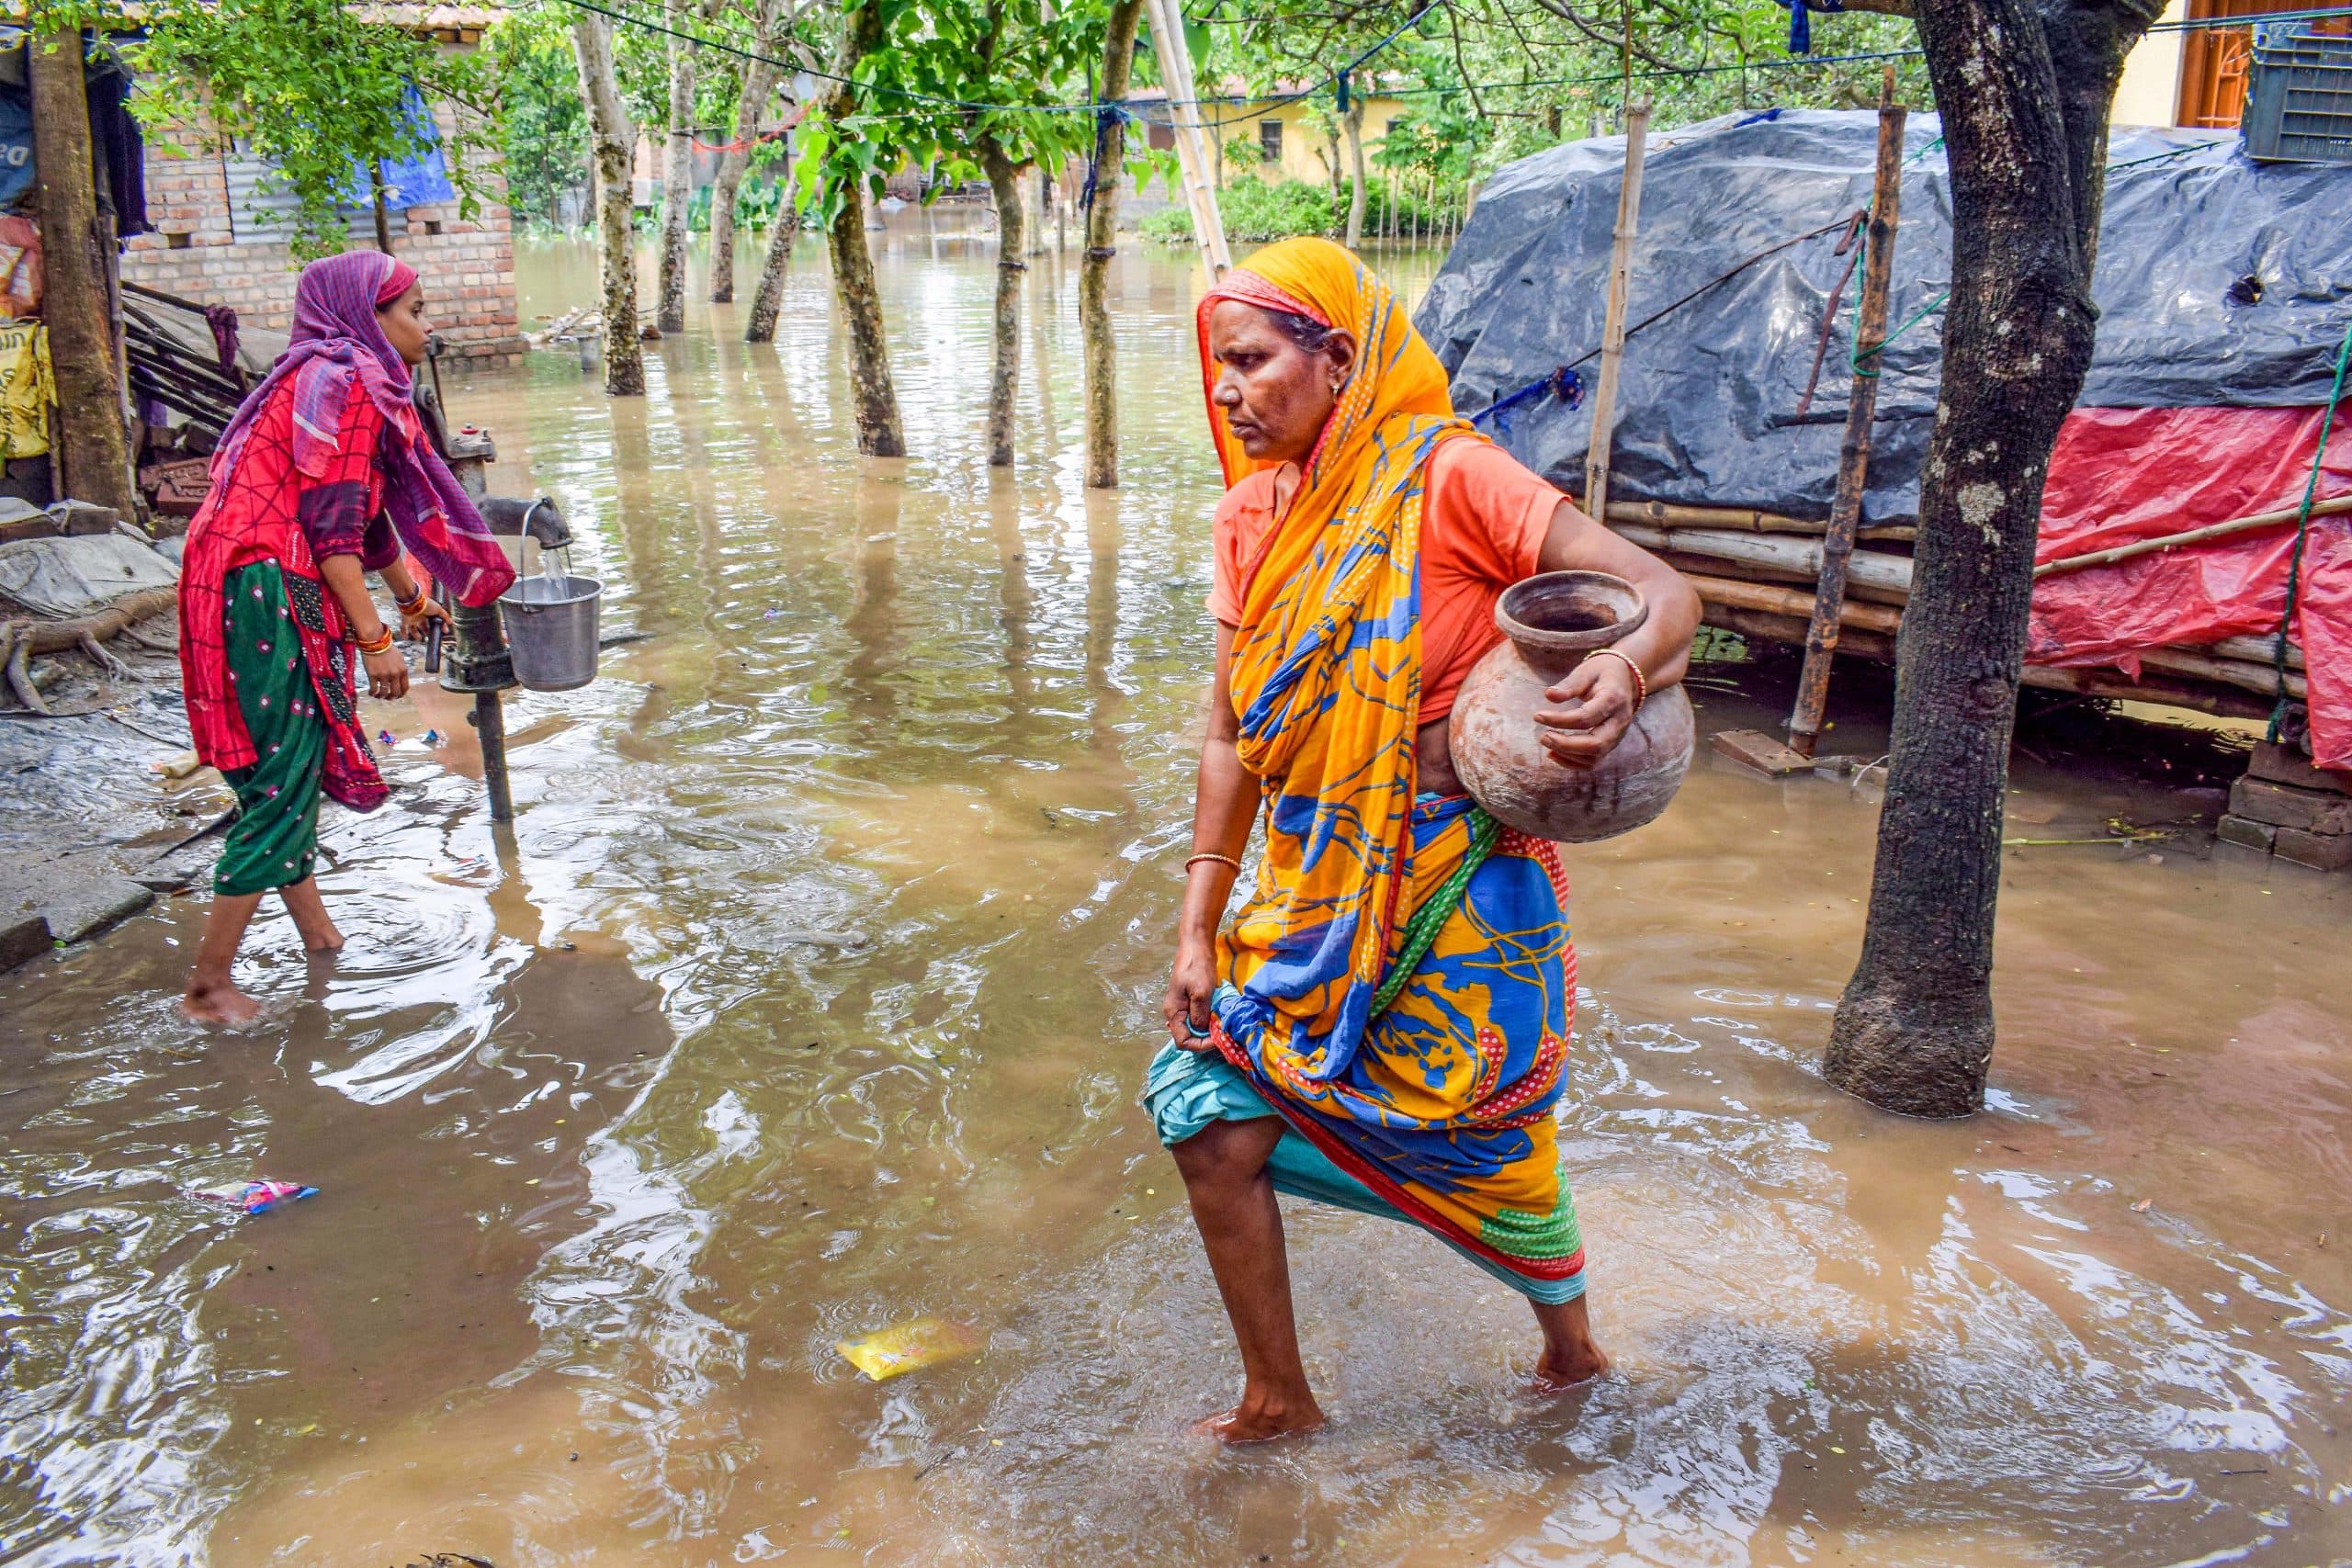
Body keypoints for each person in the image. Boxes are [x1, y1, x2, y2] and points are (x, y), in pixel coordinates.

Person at [1148, 237, 1702, 1442]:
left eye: (1253, 361)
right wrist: (1197, 919)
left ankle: (1573, 1345)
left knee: (1497, 1155)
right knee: (1204, 1116)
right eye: (1219, 366)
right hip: (1301, 898)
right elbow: (1232, 734)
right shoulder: (1250, 520)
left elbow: (1665, 594)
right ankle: (1278, 1394)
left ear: (1340, 357)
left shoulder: (1455, 478)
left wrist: (1619, 662)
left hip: (1455, 907)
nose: (1230, 391)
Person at [176, 251, 515, 1024]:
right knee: (284, 774)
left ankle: (320, 938)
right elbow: (333, 534)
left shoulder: (329, 376)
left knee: (283, 759)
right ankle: (208, 984)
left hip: (235, 576)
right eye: (415, 309)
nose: (427, 324)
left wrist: (413, 598)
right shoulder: (352, 379)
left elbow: (362, 518)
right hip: (268, 583)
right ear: (370, 318)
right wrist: (376, 641)